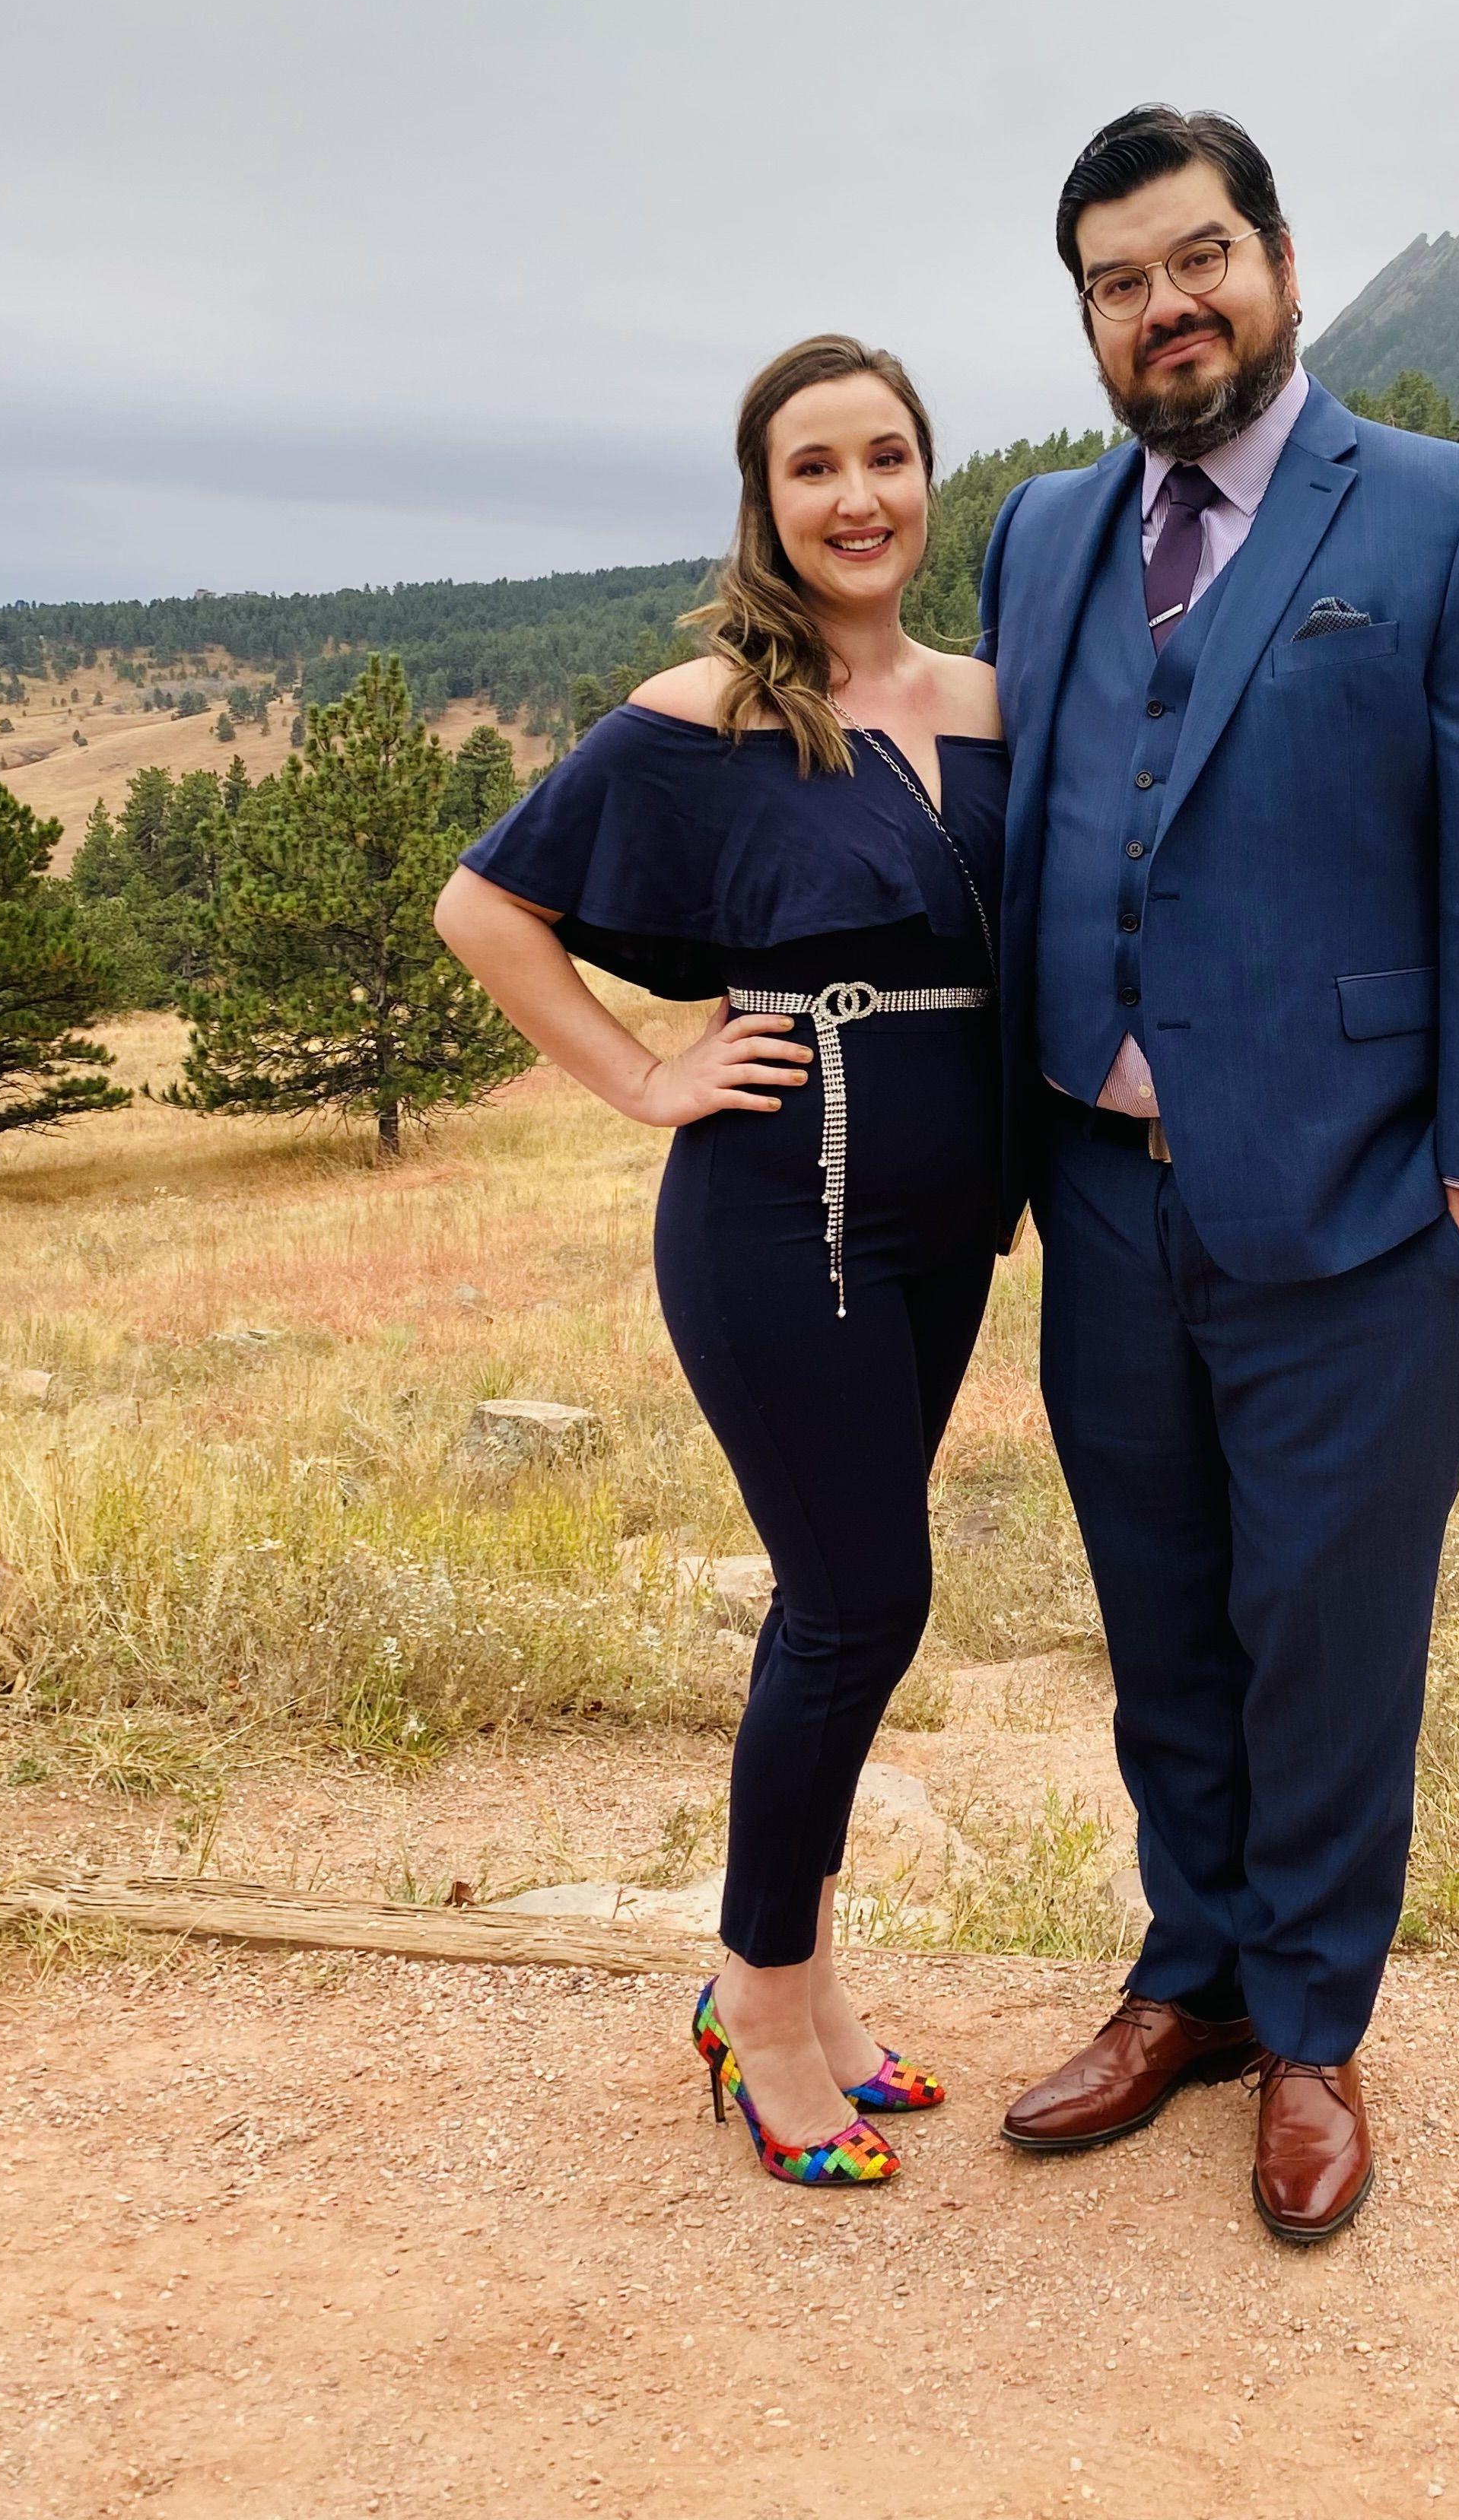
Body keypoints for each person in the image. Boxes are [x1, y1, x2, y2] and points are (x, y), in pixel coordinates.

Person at [977, 106, 1459, 2242]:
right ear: (1087, 318)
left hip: (1363, 1204)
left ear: (1281, 259)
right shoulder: (1040, 535)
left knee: (1327, 1633)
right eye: (1119, 282)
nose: (1168, 306)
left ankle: (1313, 2026)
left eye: (1199, 257)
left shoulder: (1447, 512)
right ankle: (1197, 1978)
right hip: (1104, 1195)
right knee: (1162, 1623)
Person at [434, 333, 1006, 2191]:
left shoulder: (992, 700)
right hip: (783, 1210)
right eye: (813, 466)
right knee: (859, 1600)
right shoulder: (709, 712)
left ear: (929, 476)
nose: (858, 497)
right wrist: (643, 1077)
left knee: (849, 1603)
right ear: (765, 500)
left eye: (887, 457)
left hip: (951, 1228)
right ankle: (760, 2004)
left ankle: (806, 1983)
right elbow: (482, 906)